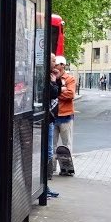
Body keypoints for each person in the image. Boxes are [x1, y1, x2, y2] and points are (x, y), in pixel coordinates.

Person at [53, 56, 76, 175]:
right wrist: (61, 90)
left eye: (57, 65)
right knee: (52, 145)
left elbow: (71, 95)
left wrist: (56, 92)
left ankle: (67, 169)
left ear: (63, 65)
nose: (55, 67)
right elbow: (49, 93)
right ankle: (51, 169)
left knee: (66, 145)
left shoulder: (70, 79)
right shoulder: (51, 78)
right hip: (53, 116)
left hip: (66, 116)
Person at [46, 53, 60, 198]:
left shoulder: (51, 75)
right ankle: (44, 184)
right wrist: (55, 82)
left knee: (49, 151)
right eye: (53, 61)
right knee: (48, 152)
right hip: (47, 118)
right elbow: (54, 93)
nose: (55, 63)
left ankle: (45, 185)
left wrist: (57, 78)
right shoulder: (46, 76)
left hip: (50, 118)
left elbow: (59, 91)